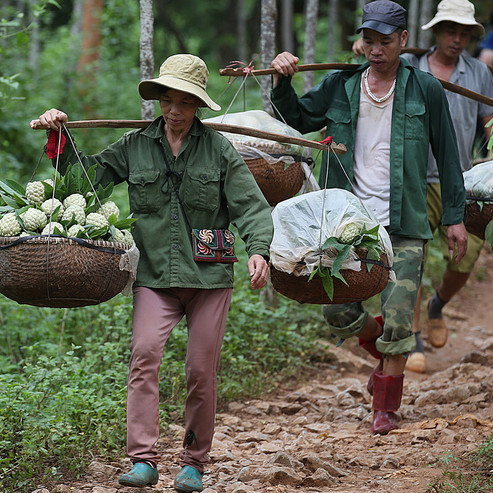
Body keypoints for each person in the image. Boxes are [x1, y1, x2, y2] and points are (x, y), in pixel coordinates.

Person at [31, 54, 274, 493]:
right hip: (154, 276)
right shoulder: (135, 145)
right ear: (158, 99)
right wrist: (59, 137)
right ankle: (143, 459)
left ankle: (194, 462)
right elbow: (86, 180)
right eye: (168, 99)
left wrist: (259, 252)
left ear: (199, 104)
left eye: (185, 101)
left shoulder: (219, 149)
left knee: (201, 370)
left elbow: (251, 208)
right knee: (144, 357)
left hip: (208, 277)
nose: (175, 110)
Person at [270, 0, 468, 435]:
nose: (376, 50)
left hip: (404, 224)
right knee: (337, 311)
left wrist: (455, 217)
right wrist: (281, 80)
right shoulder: (340, 85)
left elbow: (448, 156)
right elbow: (295, 118)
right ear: (361, 42)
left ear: (402, 42)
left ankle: (385, 406)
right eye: (369, 41)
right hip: (348, 227)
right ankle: (379, 345)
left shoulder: (425, 89)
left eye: (385, 41)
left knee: (400, 322)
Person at [400, 0, 493, 373]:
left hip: (463, 181)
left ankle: (437, 305)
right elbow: (376, 66)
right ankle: (413, 339)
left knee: (466, 257)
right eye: (451, 31)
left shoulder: (479, 73)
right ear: (436, 31)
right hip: (415, 178)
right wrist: (363, 49)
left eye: (465, 33)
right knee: (412, 258)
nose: (457, 39)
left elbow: (488, 123)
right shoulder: (411, 67)